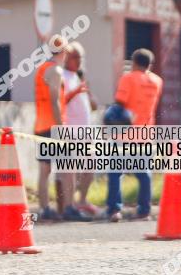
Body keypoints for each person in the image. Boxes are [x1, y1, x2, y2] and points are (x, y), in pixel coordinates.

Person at [33, 35, 87, 221]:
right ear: (63, 52)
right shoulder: (56, 71)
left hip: (41, 125)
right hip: (53, 126)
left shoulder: (42, 69)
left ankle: (45, 209)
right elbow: (54, 100)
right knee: (68, 168)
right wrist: (61, 129)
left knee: (44, 170)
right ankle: (70, 208)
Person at [107, 48, 163, 222]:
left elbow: (119, 105)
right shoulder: (157, 81)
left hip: (124, 135)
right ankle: (144, 211)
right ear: (149, 64)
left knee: (116, 172)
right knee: (144, 173)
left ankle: (115, 210)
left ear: (134, 62)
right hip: (146, 134)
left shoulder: (128, 79)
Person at [62, 42, 99, 218]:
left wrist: (89, 94)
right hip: (71, 131)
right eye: (77, 57)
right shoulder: (62, 76)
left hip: (86, 132)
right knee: (70, 169)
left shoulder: (78, 77)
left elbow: (93, 107)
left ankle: (82, 200)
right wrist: (76, 92)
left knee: (91, 164)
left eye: (81, 57)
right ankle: (68, 205)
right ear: (68, 57)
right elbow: (60, 102)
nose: (79, 61)